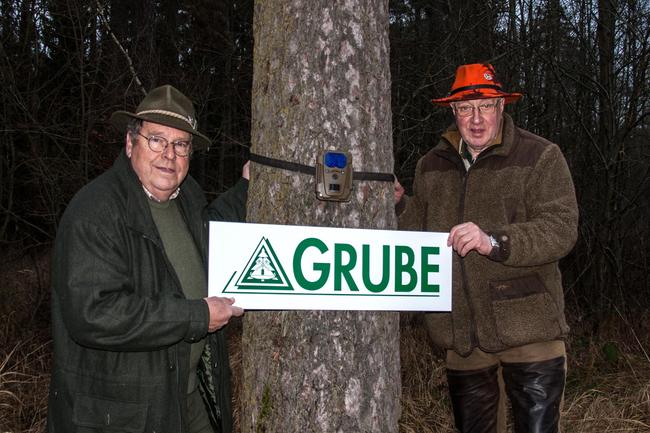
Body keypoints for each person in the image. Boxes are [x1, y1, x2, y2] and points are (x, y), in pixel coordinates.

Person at [47, 85, 248, 433]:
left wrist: (246, 189)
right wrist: (197, 315)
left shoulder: (186, 199)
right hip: (121, 415)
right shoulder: (96, 211)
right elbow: (94, 314)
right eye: (156, 139)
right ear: (130, 144)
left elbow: (211, 235)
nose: (169, 155)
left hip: (185, 398)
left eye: (181, 144)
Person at [395, 63, 578, 433]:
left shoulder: (540, 156)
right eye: (466, 108)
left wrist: (493, 241)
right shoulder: (431, 166)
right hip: (462, 339)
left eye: (486, 106)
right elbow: (416, 235)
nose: (476, 119)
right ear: (453, 111)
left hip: (531, 333)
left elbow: (560, 229)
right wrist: (399, 206)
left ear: (502, 107)